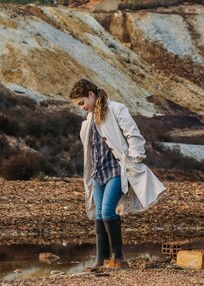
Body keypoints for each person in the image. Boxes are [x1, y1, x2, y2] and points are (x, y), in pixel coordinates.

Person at [69, 79, 166, 270]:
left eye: (82, 103)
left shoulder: (116, 109)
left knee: (107, 211)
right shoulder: (88, 120)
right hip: (97, 172)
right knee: (98, 212)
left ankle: (118, 257)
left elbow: (133, 134)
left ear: (91, 94)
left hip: (115, 169)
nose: (81, 108)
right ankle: (101, 259)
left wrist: (136, 157)